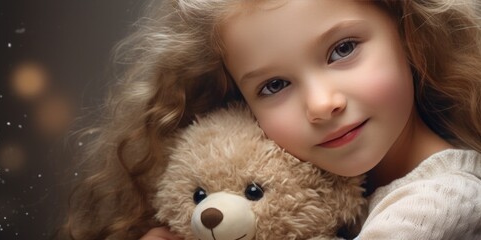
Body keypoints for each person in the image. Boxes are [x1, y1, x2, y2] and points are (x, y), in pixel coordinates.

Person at [59, 0, 481, 239]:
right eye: (275, 86)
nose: (321, 104)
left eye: (343, 49)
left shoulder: (441, 201)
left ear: (411, 35)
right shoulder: (339, 201)